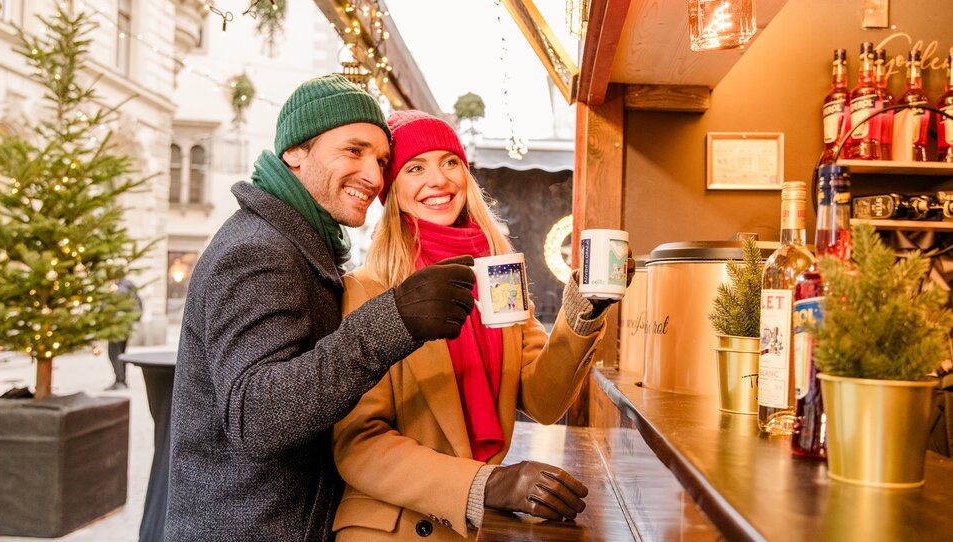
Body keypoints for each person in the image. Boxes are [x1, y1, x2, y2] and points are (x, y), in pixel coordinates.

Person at [165, 77, 477, 542]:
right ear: (295, 151)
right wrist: (395, 320)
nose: (373, 176)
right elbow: (256, 419)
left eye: (381, 160)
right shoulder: (259, 249)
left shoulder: (304, 245)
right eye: (354, 151)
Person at [332, 110, 627, 541]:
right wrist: (487, 484)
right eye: (416, 168)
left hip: (471, 527)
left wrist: (583, 309)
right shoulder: (368, 289)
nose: (439, 180)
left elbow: (543, 401)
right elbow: (358, 443)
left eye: (450, 162)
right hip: (392, 529)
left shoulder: (499, 277)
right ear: (392, 192)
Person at [105, 276, 142, 390]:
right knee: (121, 352)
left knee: (114, 352)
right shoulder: (129, 285)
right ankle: (122, 380)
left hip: (118, 325)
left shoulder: (119, 289)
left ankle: (120, 380)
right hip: (126, 325)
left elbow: (109, 306)